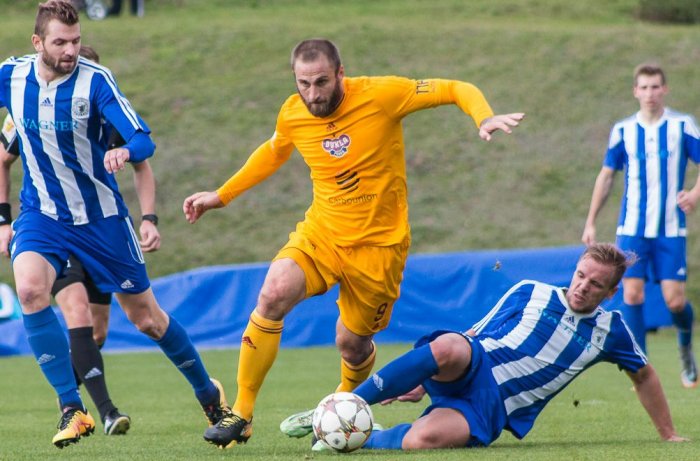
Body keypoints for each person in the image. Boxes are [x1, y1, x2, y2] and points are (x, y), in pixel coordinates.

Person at [182, 38, 524, 448]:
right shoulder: (293, 112)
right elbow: (273, 152)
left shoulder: (382, 94)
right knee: (272, 293)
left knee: (352, 342)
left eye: (321, 82)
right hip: (322, 234)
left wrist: (482, 117)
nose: (313, 94)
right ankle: (243, 412)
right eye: (303, 83)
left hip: (379, 249)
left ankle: (345, 406)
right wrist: (221, 196)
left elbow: (454, 88)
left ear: (340, 73)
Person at [0, 1, 230, 449]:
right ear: (37, 43)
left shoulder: (95, 81)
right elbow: (4, 156)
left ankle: (210, 397)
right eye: (60, 42)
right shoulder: (13, 76)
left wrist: (127, 152)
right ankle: (74, 409)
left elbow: (143, 139)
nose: (71, 50)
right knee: (29, 290)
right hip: (42, 214)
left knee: (147, 320)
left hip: (102, 220)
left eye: (76, 40)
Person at [328, 243, 687, 451]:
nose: (582, 287)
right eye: (580, 276)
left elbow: (645, 376)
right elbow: (474, 334)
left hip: (492, 406)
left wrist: (667, 433)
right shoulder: (531, 290)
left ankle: (355, 438)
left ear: (610, 293)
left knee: (425, 439)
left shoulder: (611, 331)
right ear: (574, 270)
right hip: (475, 363)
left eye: (595, 285)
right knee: (450, 345)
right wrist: (420, 380)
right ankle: (346, 403)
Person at [0, 45, 161, 436]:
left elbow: (143, 161)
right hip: (53, 227)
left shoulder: (106, 109)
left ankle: (68, 398)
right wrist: (4, 220)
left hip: (99, 229)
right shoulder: (31, 108)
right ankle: (98, 410)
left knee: (99, 330)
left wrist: (149, 218)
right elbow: (2, 160)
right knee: (75, 310)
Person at [582, 63, 700, 389]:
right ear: (635, 91)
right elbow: (607, 176)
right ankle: (642, 368)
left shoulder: (682, 125)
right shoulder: (623, 131)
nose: (650, 94)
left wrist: (694, 193)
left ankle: (686, 346)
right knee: (631, 293)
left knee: (675, 301)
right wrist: (590, 221)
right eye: (644, 87)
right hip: (631, 228)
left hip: (670, 229)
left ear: (665, 90)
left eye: (655, 87)